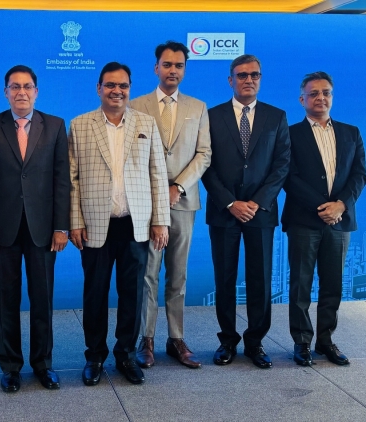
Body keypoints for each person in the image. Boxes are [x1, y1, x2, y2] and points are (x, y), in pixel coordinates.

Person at [69, 62, 169, 386]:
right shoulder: (80, 125)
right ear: (98, 88)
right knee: (94, 294)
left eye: (123, 85)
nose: (117, 91)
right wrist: (75, 221)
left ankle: (125, 354)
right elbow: (72, 179)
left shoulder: (146, 123)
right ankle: (95, 356)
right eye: (110, 85)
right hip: (95, 224)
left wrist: (160, 221)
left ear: (129, 88)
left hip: (135, 224)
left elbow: (157, 174)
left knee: (132, 295)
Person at [0, 65, 70, 393]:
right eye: (14, 87)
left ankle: (43, 364)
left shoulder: (55, 126)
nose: (21, 92)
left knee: (42, 299)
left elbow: (61, 179)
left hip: (44, 229)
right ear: (6, 92)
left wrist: (62, 227)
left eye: (27, 86)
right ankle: (11, 367)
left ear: (36, 91)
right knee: (6, 300)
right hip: (2, 230)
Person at [201, 54, 290, 369]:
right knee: (224, 279)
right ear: (230, 80)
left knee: (260, 279)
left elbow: (282, 164)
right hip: (224, 211)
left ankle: (255, 342)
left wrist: (258, 201)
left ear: (260, 79)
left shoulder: (276, 117)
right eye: (241, 75)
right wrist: (230, 202)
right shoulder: (211, 116)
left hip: (261, 212)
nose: (248, 80)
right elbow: (205, 165)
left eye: (254, 75)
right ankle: (227, 341)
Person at [130, 41, 211, 369]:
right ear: (156, 68)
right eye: (167, 65)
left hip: (183, 201)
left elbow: (204, 154)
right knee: (147, 274)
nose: (172, 70)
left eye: (178, 65)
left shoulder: (198, 107)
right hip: (146, 206)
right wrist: (156, 191)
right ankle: (145, 339)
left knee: (178, 274)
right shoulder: (136, 105)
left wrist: (177, 186)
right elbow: (132, 157)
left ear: (184, 70)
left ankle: (176, 337)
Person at [282, 71, 366, 367]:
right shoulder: (290, 134)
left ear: (332, 96)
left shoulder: (351, 132)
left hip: (341, 221)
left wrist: (341, 205)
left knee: (333, 285)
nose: (321, 98)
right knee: (301, 284)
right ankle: (302, 342)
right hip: (305, 220)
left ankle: (326, 340)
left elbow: (360, 175)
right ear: (302, 99)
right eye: (314, 93)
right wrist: (324, 206)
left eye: (326, 92)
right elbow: (288, 177)